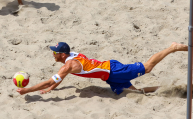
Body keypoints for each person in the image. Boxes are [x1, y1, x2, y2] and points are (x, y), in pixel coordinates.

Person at [16, 41, 188, 96]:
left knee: (148, 67)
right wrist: (51, 88)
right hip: (109, 76)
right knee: (134, 93)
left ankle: (172, 48)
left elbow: (50, 80)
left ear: (62, 54)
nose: (52, 54)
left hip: (114, 70)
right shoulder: (70, 57)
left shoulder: (69, 65)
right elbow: (59, 79)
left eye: (54, 52)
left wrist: (26, 90)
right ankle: (171, 89)